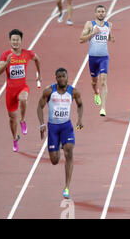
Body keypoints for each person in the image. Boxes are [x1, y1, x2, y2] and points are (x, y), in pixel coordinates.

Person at [37, 68, 83, 199]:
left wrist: (79, 119)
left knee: (69, 151)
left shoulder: (73, 92)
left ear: (67, 77)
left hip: (66, 126)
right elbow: (39, 107)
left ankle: (67, 187)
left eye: (64, 76)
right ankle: (58, 145)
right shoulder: (49, 91)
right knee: (55, 160)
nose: (62, 79)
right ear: (56, 78)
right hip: (53, 128)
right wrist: (41, 124)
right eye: (59, 77)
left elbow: (80, 105)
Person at [0, 29, 41, 152]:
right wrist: (7, 63)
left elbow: (37, 59)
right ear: (10, 41)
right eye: (13, 40)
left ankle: (23, 120)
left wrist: (39, 74)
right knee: (11, 118)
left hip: (22, 87)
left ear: (21, 41)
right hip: (10, 91)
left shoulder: (27, 53)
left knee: (23, 99)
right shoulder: (6, 55)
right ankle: (15, 138)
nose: (15, 42)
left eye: (18, 40)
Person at [79, 4, 115, 117]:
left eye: (103, 11)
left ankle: (103, 108)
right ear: (95, 13)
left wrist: (111, 38)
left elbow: (109, 36)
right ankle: (96, 92)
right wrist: (92, 33)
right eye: (99, 11)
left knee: (103, 81)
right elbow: (81, 40)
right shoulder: (90, 24)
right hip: (93, 58)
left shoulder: (109, 24)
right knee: (94, 82)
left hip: (104, 57)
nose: (101, 13)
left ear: (105, 13)